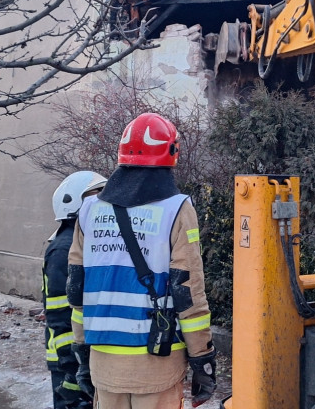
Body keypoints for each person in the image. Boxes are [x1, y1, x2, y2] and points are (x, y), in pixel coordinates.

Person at [66, 112, 216, 409]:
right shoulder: (177, 209)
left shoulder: (89, 210)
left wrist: (82, 353)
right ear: (171, 153)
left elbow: (77, 291)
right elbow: (188, 292)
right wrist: (202, 358)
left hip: (104, 363)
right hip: (157, 363)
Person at [46, 170, 107, 409]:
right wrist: (74, 367)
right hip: (68, 361)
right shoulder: (64, 250)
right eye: (95, 196)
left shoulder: (82, 240)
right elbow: (60, 315)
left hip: (82, 356)